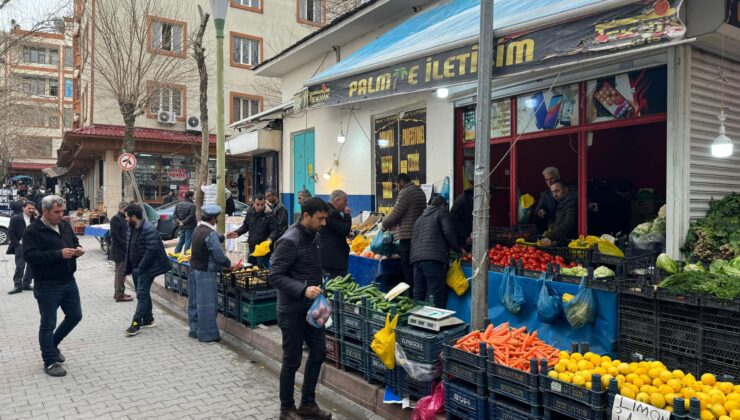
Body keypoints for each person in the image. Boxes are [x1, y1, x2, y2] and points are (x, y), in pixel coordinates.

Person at [269, 197, 331, 420]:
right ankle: (286, 409)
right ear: (306, 216)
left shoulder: (313, 236)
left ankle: (307, 404)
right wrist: (303, 289)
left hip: (313, 309)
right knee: (292, 360)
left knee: (319, 352)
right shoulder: (289, 240)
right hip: (292, 310)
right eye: (320, 218)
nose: (323, 223)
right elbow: (274, 276)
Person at [23, 195, 84, 377]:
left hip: (69, 281)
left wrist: (78, 249)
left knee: (75, 316)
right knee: (48, 324)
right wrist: (58, 254)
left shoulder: (64, 225)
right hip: (47, 285)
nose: (61, 215)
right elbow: (30, 257)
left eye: (62, 211)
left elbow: (73, 242)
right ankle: (49, 361)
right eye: (56, 212)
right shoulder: (33, 231)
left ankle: (52, 345)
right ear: (45, 212)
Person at [188, 205, 235, 342]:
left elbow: (207, 241)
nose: (217, 221)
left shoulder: (198, 229)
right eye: (216, 218)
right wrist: (229, 264)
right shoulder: (210, 233)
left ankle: (194, 330)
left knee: (195, 302)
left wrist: (225, 236)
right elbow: (218, 255)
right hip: (205, 272)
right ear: (213, 218)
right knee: (207, 304)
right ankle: (208, 335)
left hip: (194, 269)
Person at [124, 204, 170, 337]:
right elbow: (129, 247)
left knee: (141, 295)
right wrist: (129, 267)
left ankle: (136, 323)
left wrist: (142, 267)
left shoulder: (149, 229)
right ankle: (148, 319)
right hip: (136, 267)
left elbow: (152, 251)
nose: (126, 219)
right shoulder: (132, 228)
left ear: (133, 216)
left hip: (146, 268)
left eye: (127, 217)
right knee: (143, 294)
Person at [410, 195, 462, 308]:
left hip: (416, 260)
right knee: (434, 293)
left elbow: (413, 238)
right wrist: (458, 249)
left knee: (418, 293)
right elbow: (449, 233)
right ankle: (432, 321)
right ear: (443, 206)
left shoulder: (420, 218)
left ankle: (416, 321)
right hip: (433, 260)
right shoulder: (441, 213)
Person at [381, 173, 427, 293]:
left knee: (407, 267)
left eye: (397, 185)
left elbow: (396, 213)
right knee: (416, 267)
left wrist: (384, 224)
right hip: (419, 234)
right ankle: (418, 293)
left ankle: (411, 294)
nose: (397, 189)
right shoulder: (420, 191)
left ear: (401, 182)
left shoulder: (406, 192)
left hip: (407, 235)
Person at [226, 194, 274, 267]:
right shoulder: (250, 212)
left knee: (261, 271)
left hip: (263, 250)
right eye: (257, 204)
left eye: (262, 204)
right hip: (252, 248)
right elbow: (245, 226)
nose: (260, 207)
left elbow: (275, 230)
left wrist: (270, 239)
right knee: (250, 268)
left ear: (265, 203)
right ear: (254, 203)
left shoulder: (270, 215)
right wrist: (236, 232)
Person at [7, 200, 37, 294]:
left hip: (33, 245)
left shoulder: (36, 218)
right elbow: (10, 232)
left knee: (31, 265)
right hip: (20, 245)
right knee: (20, 265)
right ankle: (17, 285)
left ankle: (27, 283)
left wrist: (37, 217)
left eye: (33, 208)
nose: (31, 210)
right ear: (23, 208)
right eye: (29, 208)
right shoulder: (16, 218)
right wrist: (16, 244)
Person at [319, 190, 352, 278]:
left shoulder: (325, 209)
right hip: (334, 259)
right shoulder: (332, 213)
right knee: (337, 284)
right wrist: (347, 215)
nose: (346, 204)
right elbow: (344, 231)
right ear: (337, 200)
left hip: (327, 257)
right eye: (345, 201)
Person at [540, 181, 578, 247]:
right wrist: (552, 227)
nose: (554, 195)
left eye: (557, 191)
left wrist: (551, 236)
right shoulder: (562, 201)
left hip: (572, 243)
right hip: (565, 242)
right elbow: (561, 220)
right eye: (552, 192)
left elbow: (568, 223)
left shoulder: (572, 201)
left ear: (566, 189)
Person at [109, 201, 133, 302]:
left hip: (122, 249)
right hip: (119, 251)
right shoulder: (116, 218)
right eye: (126, 210)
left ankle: (119, 292)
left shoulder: (123, 218)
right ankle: (119, 294)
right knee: (120, 273)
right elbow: (115, 235)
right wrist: (125, 244)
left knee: (120, 273)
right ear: (122, 208)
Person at [534, 167, 560, 231]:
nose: (549, 182)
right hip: (552, 228)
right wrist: (540, 211)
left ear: (558, 177)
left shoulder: (568, 190)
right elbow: (538, 209)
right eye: (546, 179)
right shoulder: (545, 195)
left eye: (551, 178)